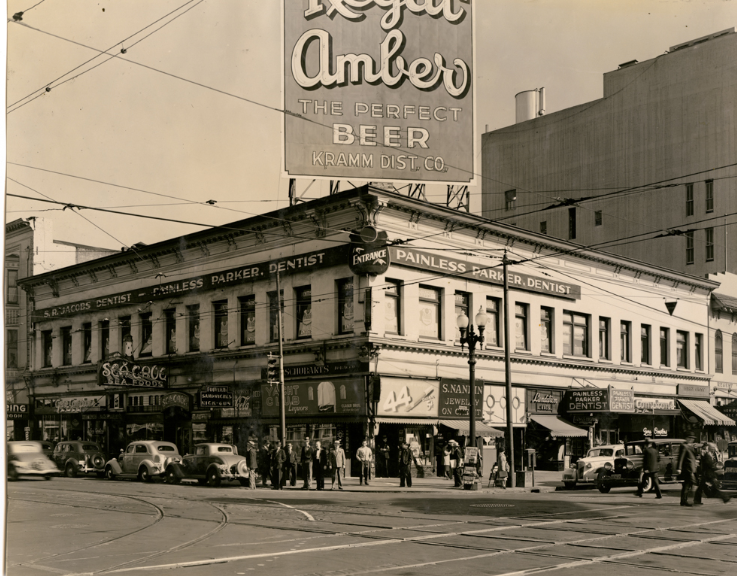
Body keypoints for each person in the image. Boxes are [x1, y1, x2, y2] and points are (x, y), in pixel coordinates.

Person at [676, 435, 697, 506]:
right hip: (688, 469)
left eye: (693, 439)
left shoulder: (690, 446)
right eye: (691, 438)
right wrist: (679, 468)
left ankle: (684, 501)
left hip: (691, 468)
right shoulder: (684, 446)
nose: (692, 440)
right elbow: (681, 458)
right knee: (692, 484)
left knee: (687, 485)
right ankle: (687, 500)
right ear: (687, 438)